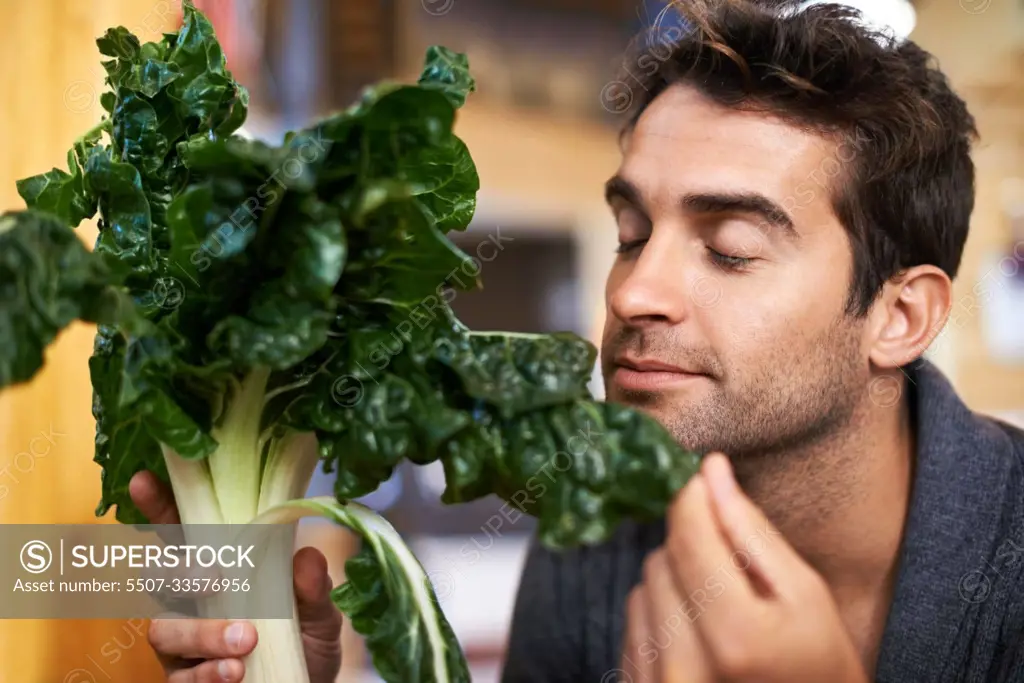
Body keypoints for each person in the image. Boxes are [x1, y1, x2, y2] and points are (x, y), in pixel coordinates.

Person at [141, 0, 1024, 681]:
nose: (635, 291)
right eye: (633, 233)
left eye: (730, 250)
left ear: (900, 317)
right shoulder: (594, 550)